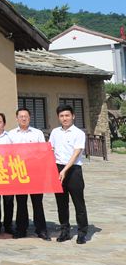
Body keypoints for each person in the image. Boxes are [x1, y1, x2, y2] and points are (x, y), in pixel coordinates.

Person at [50, 104, 89, 244]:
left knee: (78, 203)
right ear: (58, 117)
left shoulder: (79, 133)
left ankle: (82, 232)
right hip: (58, 169)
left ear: (73, 116)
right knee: (61, 203)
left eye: (67, 115)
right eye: (61, 116)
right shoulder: (55, 132)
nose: (64, 118)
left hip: (73, 170)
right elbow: (50, 149)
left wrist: (65, 170)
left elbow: (76, 153)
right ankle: (65, 231)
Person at [10, 107, 50, 240]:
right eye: (21, 116)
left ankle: (41, 230)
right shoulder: (11, 134)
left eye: (25, 116)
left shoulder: (37, 133)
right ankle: (21, 229)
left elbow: (43, 151)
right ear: (16, 118)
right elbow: (8, 153)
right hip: (19, 172)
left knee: (37, 202)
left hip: (35, 172)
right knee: (21, 202)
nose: (23, 118)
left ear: (30, 118)